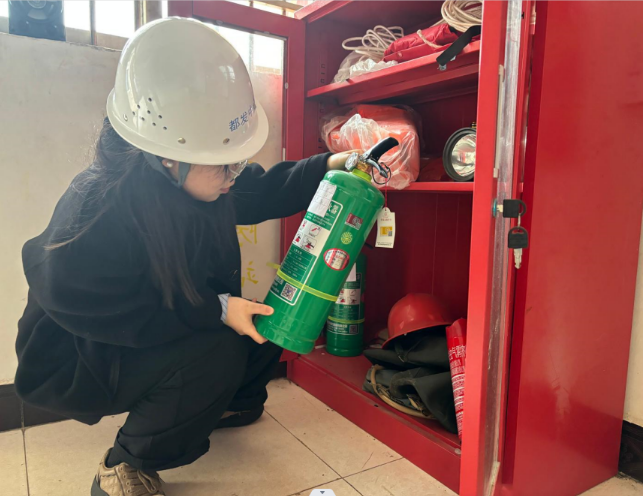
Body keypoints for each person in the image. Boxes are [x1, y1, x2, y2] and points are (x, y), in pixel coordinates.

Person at [14, 18, 354, 496]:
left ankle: (221, 401)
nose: (234, 175)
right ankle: (125, 465)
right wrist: (217, 310)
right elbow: (102, 308)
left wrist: (334, 164)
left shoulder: (197, 179)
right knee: (216, 349)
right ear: (167, 157)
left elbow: (261, 189)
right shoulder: (98, 211)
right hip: (83, 351)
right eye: (224, 166)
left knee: (270, 320)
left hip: (155, 322)